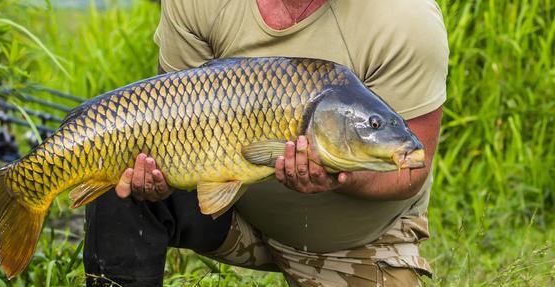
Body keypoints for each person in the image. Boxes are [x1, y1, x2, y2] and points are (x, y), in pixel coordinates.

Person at [83, 0, 448, 286]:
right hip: (233, 210)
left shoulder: (406, 19)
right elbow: (171, 113)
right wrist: (157, 171)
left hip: (353, 241)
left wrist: (339, 177)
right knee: (120, 173)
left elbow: (411, 169)